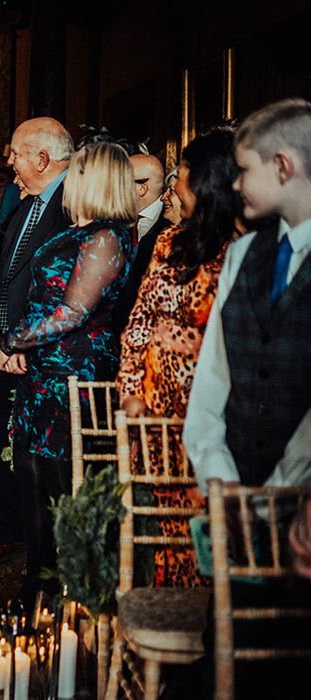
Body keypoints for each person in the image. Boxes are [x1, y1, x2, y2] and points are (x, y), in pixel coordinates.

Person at [182, 98, 311, 700]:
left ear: (284, 167)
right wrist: (220, 477)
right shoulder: (243, 253)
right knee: (225, 663)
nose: (235, 183)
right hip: (237, 498)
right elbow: (212, 380)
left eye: (244, 168)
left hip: (302, 511)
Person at [0, 141, 135, 606]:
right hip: (42, 373)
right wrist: (21, 348)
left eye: (75, 175)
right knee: (32, 479)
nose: (67, 183)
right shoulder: (75, 231)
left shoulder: (109, 236)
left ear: (92, 181)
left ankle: (71, 594)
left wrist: (14, 340)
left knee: (63, 484)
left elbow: (73, 311)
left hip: (75, 374)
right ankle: (37, 585)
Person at [117, 128, 242, 586]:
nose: (173, 190)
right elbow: (140, 322)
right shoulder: (170, 242)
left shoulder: (244, 251)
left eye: (182, 179)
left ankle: (210, 632)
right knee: (165, 529)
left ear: (209, 183)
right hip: (157, 415)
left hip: (214, 419)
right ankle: (171, 610)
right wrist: (131, 391)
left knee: (209, 531)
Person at [0, 117, 73, 567]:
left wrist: (23, 346)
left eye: (15, 153)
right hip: (8, 349)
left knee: (37, 457)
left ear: (42, 159)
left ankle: (45, 550)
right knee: (7, 444)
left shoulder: (73, 205)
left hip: (40, 357)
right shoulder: (27, 204)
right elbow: (8, 265)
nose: (8, 162)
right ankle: (8, 532)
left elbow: (66, 292)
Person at [112, 154, 173, 333]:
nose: (114, 189)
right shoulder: (115, 223)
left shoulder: (170, 226)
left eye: (121, 181)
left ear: (142, 188)